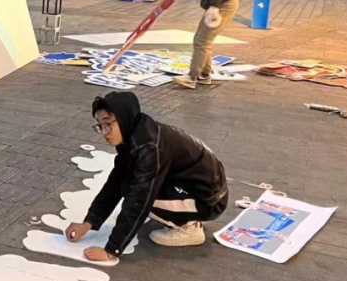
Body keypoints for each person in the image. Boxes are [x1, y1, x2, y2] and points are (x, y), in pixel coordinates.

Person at [64, 92, 229, 262]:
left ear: (124, 117)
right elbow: (115, 181)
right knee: (127, 181)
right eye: (100, 126)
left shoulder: (148, 147)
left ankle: (189, 227)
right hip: (202, 189)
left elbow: (139, 199)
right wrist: (89, 222)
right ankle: (187, 215)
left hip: (209, 201)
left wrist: (112, 249)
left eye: (108, 124)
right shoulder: (136, 133)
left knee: (133, 190)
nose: (104, 132)